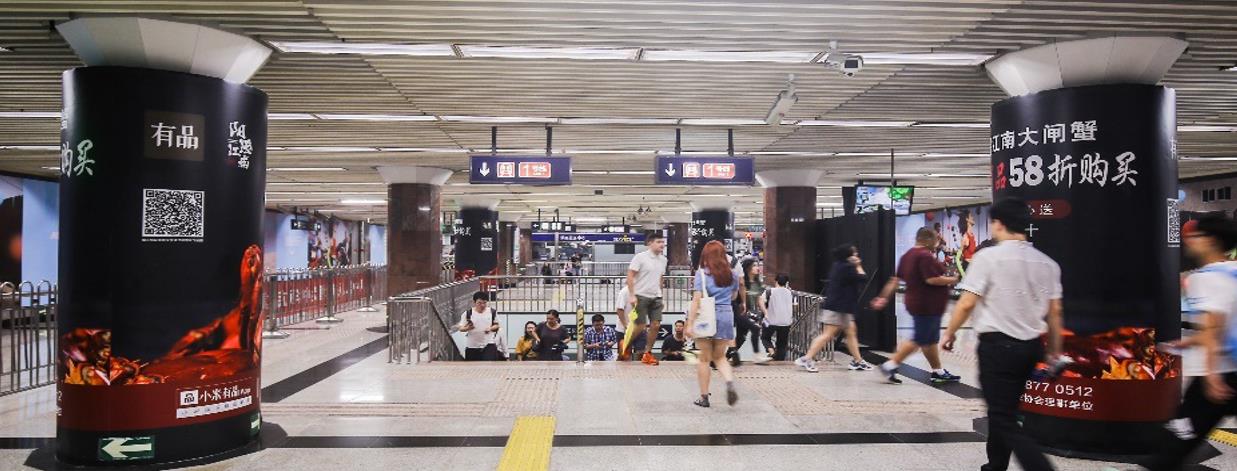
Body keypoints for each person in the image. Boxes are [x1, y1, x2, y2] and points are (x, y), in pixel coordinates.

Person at [940, 197, 1062, 471]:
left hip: (998, 348)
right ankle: (995, 466)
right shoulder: (1047, 264)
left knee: (1003, 416)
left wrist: (949, 333)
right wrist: (1054, 351)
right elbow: (1055, 313)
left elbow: (967, 302)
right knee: (1005, 410)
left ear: (998, 224)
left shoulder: (988, 258)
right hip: (1031, 348)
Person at [1142, 215, 1237, 471]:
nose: (1190, 240)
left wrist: (1212, 376)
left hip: (1222, 372)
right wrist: (1190, 342)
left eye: (1196, 235)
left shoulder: (1205, 277)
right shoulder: (1233, 270)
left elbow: (1214, 325)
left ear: (1212, 241)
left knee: (1178, 438)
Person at [872, 226, 962, 384]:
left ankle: (938, 371)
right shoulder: (924, 256)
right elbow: (931, 279)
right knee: (919, 339)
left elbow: (894, 280)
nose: (937, 242)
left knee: (930, 340)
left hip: (919, 304)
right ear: (927, 239)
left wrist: (883, 297)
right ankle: (890, 365)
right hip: (927, 305)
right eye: (936, 239)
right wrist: (953, 280)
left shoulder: (907, 255)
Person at [794, 244, 874, 373]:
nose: (856, 255)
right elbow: (862, 278)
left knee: (851, 332)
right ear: (848, 255)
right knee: (827, 335)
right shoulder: (847, 267)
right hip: (838, 308)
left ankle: (858, 361)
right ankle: (807, 358)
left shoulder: (838, 265)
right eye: (854, 253)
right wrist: (858, 265)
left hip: (841, 307)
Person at [685, 240, 744, 407]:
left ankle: (704, 397)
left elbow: (697, 299)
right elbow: (734, 296)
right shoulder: (732, 274)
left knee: (704, 359)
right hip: (726, 315)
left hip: (706, 316)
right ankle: (729, 381)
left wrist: (690, 323)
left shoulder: (702, 274)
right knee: (720, 356)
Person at [627, 232, 669, 366]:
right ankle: (625, 344)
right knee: (640, 326)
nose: (662, 244)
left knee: (656, 325)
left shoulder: (664, 259)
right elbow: (630, 275)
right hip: (640, 295)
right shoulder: (640, 257)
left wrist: (661, 295)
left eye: (663, 242)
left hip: (656, 296)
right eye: (658, 242)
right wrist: (632, 295)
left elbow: (660, 278)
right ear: (650, 243)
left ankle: (647, 353)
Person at [727, 259, 763, 366]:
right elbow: (736, 295)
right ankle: (757, 355)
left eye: (757, 265)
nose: (757, 268)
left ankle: (723, 359)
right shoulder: (742, 282)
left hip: (751, 313)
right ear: (747, 268)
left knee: (740, 338)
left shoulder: (757, 283)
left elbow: (759, 299)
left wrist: (763, 312)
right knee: (755, 328)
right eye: (754, 265)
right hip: (740, 311)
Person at [458, 291, 501, 361]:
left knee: (489, 364)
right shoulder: (468, 313)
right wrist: (467, 328)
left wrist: (490, 328)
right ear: (474, 302)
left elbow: (497, 325)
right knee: (472, 366)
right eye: (479, 303)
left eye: (485, 303)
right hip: (472, 346)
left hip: (488, 344)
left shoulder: (492, 312)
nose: (482, 305)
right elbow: (461, 328)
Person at [760, 274, 793, 361]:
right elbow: (795, 305)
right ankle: (780, 361)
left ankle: (772, 352)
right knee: (782, 343)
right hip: (786, 322)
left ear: (776, 281)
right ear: (786, 283)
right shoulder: (790, 292)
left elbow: (761, 301)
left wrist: (765, 312)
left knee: (765, 337)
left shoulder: (769, 291)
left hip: (771, 321)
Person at [615, 285, 647, 361]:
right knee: (623, 356)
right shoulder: (624, 292)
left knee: (641, 353)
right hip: (624, 330)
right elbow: (619, 309)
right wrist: (625, 325)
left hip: (639, 329)